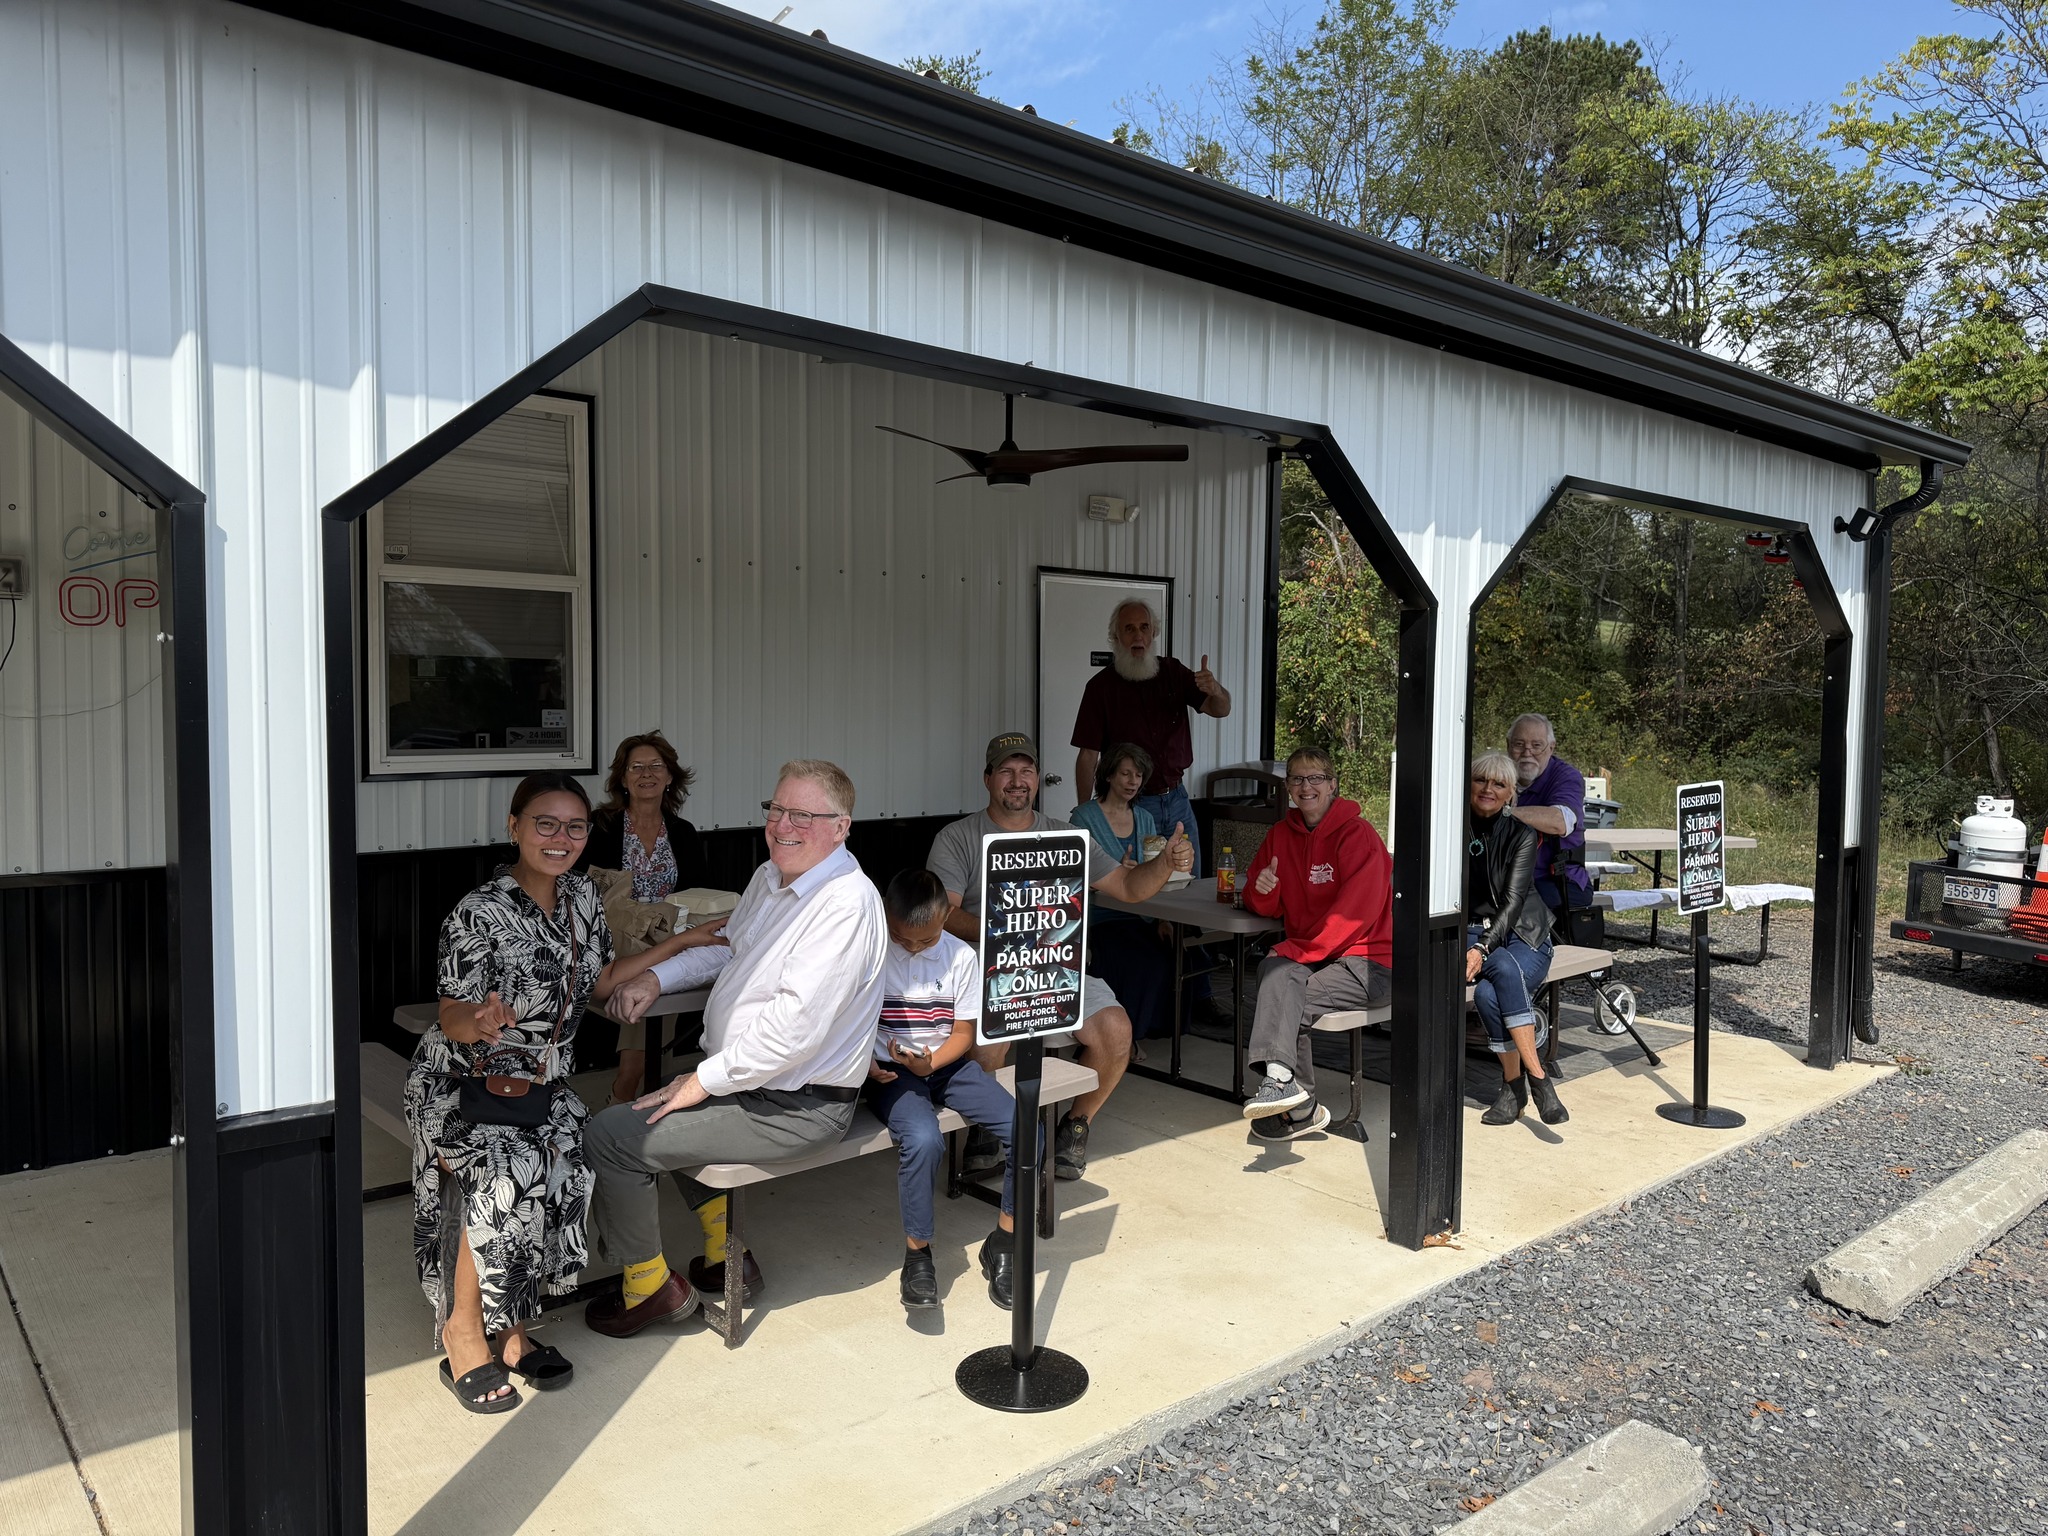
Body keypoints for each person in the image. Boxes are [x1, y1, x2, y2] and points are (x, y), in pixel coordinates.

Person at [580, 760, 888, 1339]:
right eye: (776, 810)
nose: (782, 825)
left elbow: (792, 1032)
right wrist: (656, 979)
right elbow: (728, 950)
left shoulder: (844, 904)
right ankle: (728, 1256)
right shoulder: (773, 879)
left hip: (798, 1106)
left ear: (841, 826)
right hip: (755, 1086)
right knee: (663, 1109)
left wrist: (701, 1080)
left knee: (615, 1136)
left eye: (803, 815)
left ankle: (650, 1289)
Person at [405, 771, 670, 1412]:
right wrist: (483, 1021)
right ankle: (464, 1331)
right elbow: (451, 1015)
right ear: (515, 828)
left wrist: (682, 943)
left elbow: (602, 982)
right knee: (508, 1171)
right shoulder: (480, 911)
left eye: (574, 826)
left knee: (567, 1161)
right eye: (545, 824)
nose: (561, 838)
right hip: (463, 1082)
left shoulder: (582, 899)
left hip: (542, 1082)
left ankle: (514, 1328)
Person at [928, 731, 1191, 1181]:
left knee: (1115, 1029)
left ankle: (1076, 1124)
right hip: (987, 968)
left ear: (1036, 779)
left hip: (1058, 968)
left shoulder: (1067, 836)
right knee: (991, 1036)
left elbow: (1129, 888)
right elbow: (944, 914)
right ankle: (985, 1130)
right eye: (1006, 771)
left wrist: (1165, 862)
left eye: (1026, 770)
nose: (1017, 780)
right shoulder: (958, 837)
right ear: (988, 778)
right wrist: (1011, 932)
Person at [867, 869, 1022, 1312]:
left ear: (948, 918)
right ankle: (918, 1255)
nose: (914, 948)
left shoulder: (960, 957)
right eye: (903, 939)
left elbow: (963, 1032)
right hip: (891, 1076)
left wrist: (932, 1061)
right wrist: (867, 1065)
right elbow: (850, 1023)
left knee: (1026, 1130)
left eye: (926, 940)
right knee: (922, 1139)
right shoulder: (872, 955)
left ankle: (1005, 1242)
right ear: (886, 918)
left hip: (947, 1066)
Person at [1238, 747, 1394, 1140]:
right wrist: (1262, 889)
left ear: (1333, 784)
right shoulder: (1279, 835)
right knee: (1272, 970)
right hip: (1318, 956)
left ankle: (1299, 1102)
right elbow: (1262, 901)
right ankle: (1290, 1091)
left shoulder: (1358, 835)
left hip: (1370, 960)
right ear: (1287, 786)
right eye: (1296, 779)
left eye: (1316, 778)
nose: (1306, 786)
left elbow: (1354, 916)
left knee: (1288, 999)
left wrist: (1298, 950)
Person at [578, 730, 714, 1105]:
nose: (647, 773)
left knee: (665, 969)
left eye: (657, 766)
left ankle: (633, 1086)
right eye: (636, 767)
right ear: (622, 778)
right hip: (610, 933)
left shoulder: (682, 833)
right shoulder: (601, 826)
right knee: (660, 971)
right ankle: (632, 1084)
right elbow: (582, 890)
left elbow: (698, 892)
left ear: (670, 776)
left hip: (666, 935)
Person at [1070, 598, 1230, 874]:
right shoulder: (1100, 688)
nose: (1138, 636)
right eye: (1129, 629)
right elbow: (1087, 755)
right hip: (1132, 805)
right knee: (1142, 887)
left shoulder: (1173, 672)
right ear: (1115, 637)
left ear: (1154, 633)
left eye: (1144, 627)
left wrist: (1216, 689)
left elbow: (1221, 710)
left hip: (1178, 799)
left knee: (1189, 880)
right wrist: (1088, 813)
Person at [1468, 750, 1567, 1127]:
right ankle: (1538, 1079)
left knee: (1487, 994)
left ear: (1511, 793)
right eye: (1481, 780)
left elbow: (1511, 903)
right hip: (1475, 933)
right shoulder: (1452, 828)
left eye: (1499, 784)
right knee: (1500, 981)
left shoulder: (1522, 834)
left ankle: (1513, 1088)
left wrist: (1481, 948)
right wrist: (1477, 942)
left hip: (1524, 933)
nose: (1488, 789)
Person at [1070, 742, 1176, 1046]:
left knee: (1173, 954)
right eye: (1125, 774)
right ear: (1108, 776)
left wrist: (1160, 919)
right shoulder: (1084, 817)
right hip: (1097, 919)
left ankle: (1142, 1031)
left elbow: (1155, 873)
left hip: (1140, 915)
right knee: (1134, 957)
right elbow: (1074, 877)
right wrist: (1116, 873)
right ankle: (1121, 1040)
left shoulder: (1145, 818)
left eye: (1138, 775)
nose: (1132, 782)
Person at [1505, 713, 1592, 930]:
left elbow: (1560, 821)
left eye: (1537, 745)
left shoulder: (1566, 776)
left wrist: (1504, 812)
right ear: (1508, 746)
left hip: (1557, 880)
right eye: (1519, 744)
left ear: (1551, 748)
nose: (1527, 753)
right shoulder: (1497, 774)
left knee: (1507, 908)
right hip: (1507, 877)